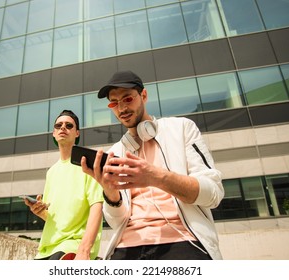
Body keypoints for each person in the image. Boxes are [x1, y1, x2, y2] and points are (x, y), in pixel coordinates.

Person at [81, 70, 224, 260]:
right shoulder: (117, 150)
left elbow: (214, 194)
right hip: (127, 245)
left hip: (183, 240)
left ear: (144, 96)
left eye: (127, 99)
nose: (121, 108)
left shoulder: (182, 128)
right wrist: (110, 193)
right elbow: (117, 222)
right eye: (114, 103)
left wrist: (155, 177)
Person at [23, 110, 103, 260]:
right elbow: (55, 218)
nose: (63, 128)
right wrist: (39, 211)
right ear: (53, 133)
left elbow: (97, 207)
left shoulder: (88, 165)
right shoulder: (51, 172)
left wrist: (84, 250)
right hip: (46, 249)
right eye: (58, 125)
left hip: (72, 247)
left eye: (68, 125)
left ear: (77, 133)